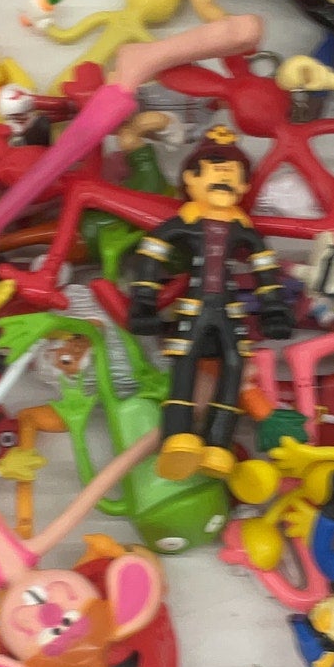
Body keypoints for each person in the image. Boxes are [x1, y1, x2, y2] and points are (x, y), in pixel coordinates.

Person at [127, 127, 292, 480]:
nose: (224, 180)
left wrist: (274, 309)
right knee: (184, 366)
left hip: (230, 313)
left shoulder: (244, 231)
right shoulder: (182, 224)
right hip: (193, 308)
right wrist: (144, 299)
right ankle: (178, 437)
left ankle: (219, 443)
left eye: (232, 175)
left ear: (244, 186)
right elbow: (152, 253)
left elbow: (265, 269)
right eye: (215, 172)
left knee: (234, 367)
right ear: (190, 178)